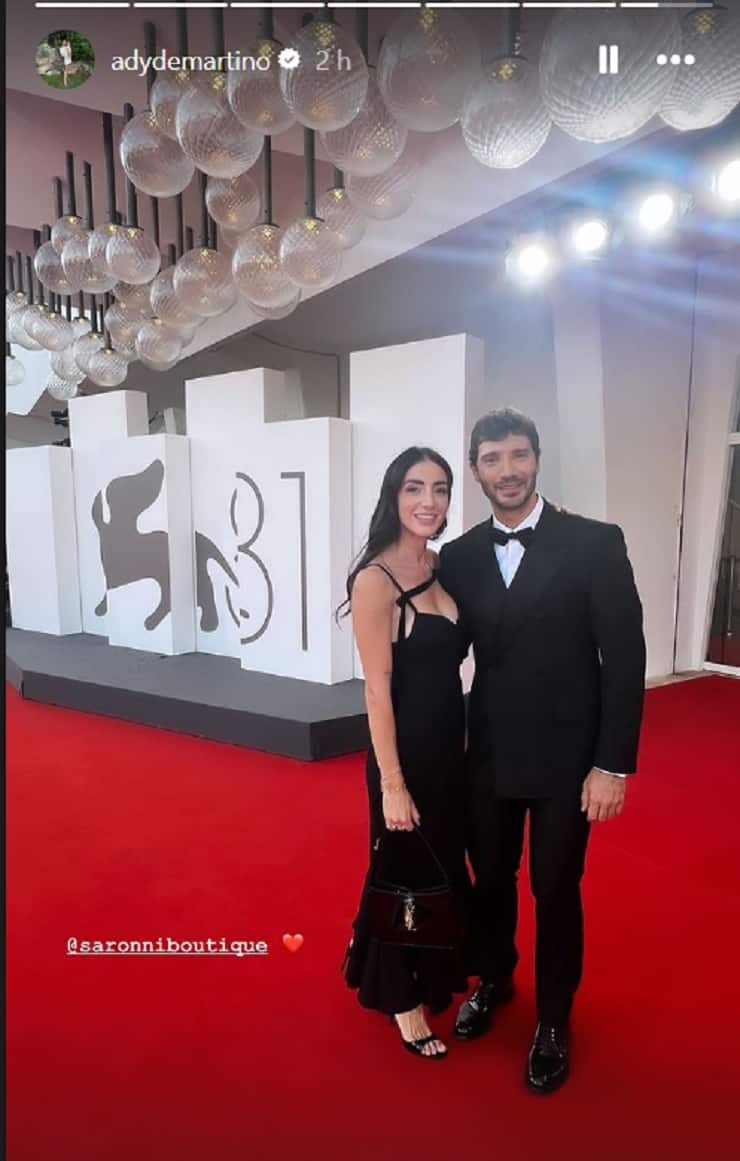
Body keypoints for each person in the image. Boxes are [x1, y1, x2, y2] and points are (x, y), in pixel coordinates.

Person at [438, 407, 646, 1094]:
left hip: (567, 760)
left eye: (518, 455)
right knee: (490, 879)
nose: (507, 470)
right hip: (490, 754)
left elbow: (624, 659)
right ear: (475, 470)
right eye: (492, 458)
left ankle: (554, 1018)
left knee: (554, 888)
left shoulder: (593, 542)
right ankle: (494, 978)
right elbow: (444, 652)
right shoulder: (461, 555)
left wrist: (611, 764)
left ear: (537, 459)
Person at [341, 447, 472, 1059]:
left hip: (453, 749)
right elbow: (375, 689)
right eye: (415, 487)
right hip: (406, 756)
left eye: (440, 489)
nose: (429, 500)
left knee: (440, 867)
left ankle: (429, 973)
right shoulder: (376, 579)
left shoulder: (443, 565)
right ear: (394, 495)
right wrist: (392, 782)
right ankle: (401, 999)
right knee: (403, 874)